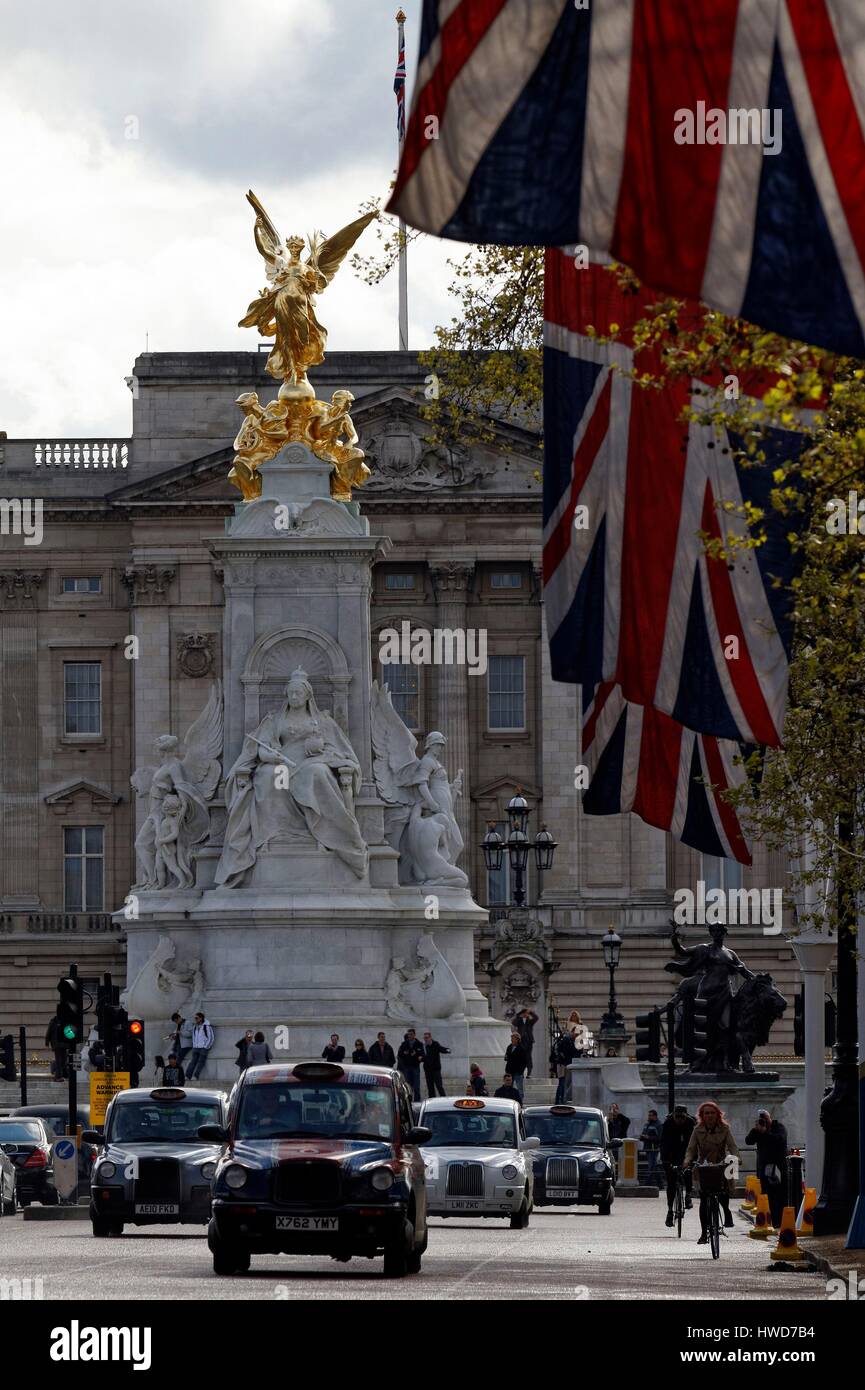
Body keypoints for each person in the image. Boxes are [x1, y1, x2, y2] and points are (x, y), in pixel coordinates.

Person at [684, 1100, 739, 1244]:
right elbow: (691, 1149)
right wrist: (687, 1160)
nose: (709, 1116)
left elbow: (732, 1146)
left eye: (712, 1113)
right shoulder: (697, 1129)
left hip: (721, 1161)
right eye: (706, 1113)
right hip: (704, 1164)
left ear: (717, 1115)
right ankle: (703, 1233)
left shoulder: (725, 1129)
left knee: (725, 1187)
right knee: (704, 1198)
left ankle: (726, 1211)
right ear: (702, 1115)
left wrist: (736, 1157)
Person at [745, 1108, 788, 1227]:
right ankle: (770, 1220)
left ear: (770, 1117)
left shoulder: (778, 1127)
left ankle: (779, 1221)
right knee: (766, 1195)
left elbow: (779, 1140)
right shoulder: (758, 1130)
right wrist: (755, 1130)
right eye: (761, 1119)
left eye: (765, 1119)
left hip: (778, 1168)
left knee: (778, 1195)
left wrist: (765, 1132)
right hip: (764, 1169)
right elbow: (748, 1141)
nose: (764, 1121)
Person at [660, 1105, 696, 1227]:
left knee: (688, 1171)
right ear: (673, 1115)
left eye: (682, 1117)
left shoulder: (691, 1123)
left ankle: (688, 1195)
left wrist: (693, 1160)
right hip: (671, 1152)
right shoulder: (668, 1123)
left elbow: (695, 1143)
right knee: (671, 1183)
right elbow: (664, 1142)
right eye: (677, 1117)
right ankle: (670, 1210)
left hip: (687, 1151)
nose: (679, 1119)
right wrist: (665, 1160)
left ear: (686, 1115)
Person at [185, 1012, 214, 1082]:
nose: (195, 1019)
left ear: (201, 1018)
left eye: (197, 1018)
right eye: (195, 1018)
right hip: (195, 1047)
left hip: (203, 1048)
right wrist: (194, 1045)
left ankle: (195, 1076)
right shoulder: (195, 1027)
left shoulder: (207, 1026)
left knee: (201, 1062)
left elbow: (211, 1038)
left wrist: (206, 1047)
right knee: (193, 1062)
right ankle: (187, 1076)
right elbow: (193, 1037)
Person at [397, 1028, 424, 1101]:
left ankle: (417, 1101)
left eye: (411, 1034)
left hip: (415, 1067)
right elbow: (399, 1054)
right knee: (408, 1085)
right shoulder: (404, 1044)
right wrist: (404, 1053)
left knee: (416, 1086)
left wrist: (417, 1055)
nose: (410, 1036)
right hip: (407, 1067)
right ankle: (408, 1101)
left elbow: (422, 1054)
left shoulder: (419, 1044)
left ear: (414, 1035)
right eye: (409, 1034)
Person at [512, 1007, 540, 1078]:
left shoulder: (530, 1021)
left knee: (528, 1057)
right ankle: (521, 1072)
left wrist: (530, 1012)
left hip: (529, 1041)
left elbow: (536, 1018)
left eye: (526, 1013)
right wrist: (519, 1015)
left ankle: (529, 1073)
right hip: (521, 1041)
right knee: (521, 1057)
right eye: (524, 1013)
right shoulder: (519, 1021)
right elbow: (513, 1022)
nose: (525, 1014)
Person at [421, 1030, 449, 1097]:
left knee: (439, 1086)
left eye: (427, 1038)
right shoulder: (424, 1047)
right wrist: (421, 1058)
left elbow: (441, 1049)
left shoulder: (435, 1044)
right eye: (425, 1038)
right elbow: (423, 1057)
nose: (426, 1039)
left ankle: (443, 1098)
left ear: (430, 1038)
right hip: (428, 1069)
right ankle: (431, 1099)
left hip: (436, 1069)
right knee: (430, 1087)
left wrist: (447, 1050)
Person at [553, 1029, 577, 1104]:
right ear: (572, 1032)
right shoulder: (567, 1040)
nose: (576, 1035)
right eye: (575, 1033)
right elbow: (567, 1053)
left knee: (563, 1083)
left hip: (563, 1064)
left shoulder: (568, 1040)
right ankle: (560, 1100)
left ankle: (559, 1100)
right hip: (563, 1064)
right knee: (563, 1083)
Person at [640, 1108, 663, 1186]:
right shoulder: (646, 1124)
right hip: (647, 1147)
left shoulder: (658, 1125)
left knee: (651, 1165)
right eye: (648, 1115)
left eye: (650, 1115)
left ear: (655, 1116)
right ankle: (660, 1183)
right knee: (654, 1166)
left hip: (653, 1148)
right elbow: (643, 1134)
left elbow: (660, 1138)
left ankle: (647, 1183)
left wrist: (648, 1137)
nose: (649, 1117)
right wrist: (642, 1137)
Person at [504, 1031, 529, 1100]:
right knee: (508, 1088)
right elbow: (506, 1057)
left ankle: (520, 1103)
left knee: (520, 1089)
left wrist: (521, 1071)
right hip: (510, 1071)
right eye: (511, 1038)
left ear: (517, 1039)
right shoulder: (509, 1047)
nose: (511, 1040)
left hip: (518, 1072)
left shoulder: (522, 1049)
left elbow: (525, 1061)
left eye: (513, 1038)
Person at [45, 1007, 67, 1083]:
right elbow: (49, 1032)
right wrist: (47, 1042)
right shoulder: (53, 1021)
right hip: (56, 1044)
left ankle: (54, 1069)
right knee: (59, 1061)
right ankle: (58, 1077)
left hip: (64, 1044)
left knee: (63, 1061)